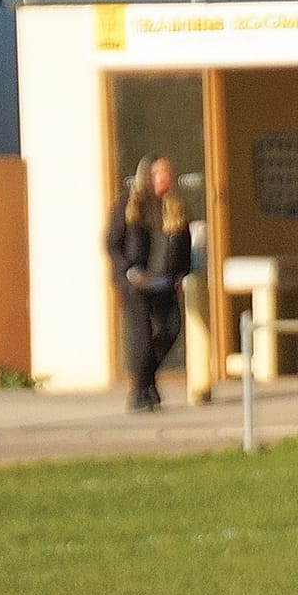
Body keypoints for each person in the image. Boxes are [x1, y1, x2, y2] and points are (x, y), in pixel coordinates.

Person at [104, 155, 190, 413]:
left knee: (170, 329)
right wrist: (127, 271)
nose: (166, 178)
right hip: (136, 284)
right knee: (140, 339)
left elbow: (184, 243)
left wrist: (181, 274)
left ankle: (145, 381)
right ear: (147, 176)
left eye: (168, 173)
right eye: (160, 173)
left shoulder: (174, 206)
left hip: (164, 282)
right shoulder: (128, 205)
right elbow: (112, 242)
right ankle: (140, 393)